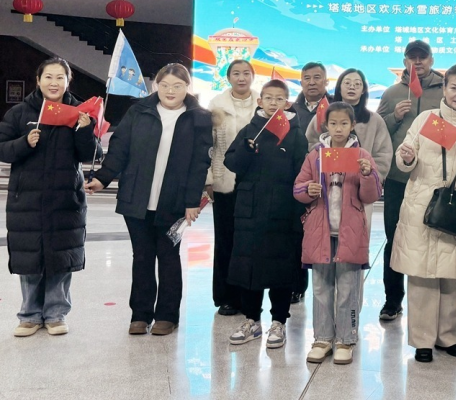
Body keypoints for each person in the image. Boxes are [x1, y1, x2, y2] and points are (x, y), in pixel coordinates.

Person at [86, 63, 212, 336]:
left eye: (177, 86)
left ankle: (167, 315)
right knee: (142, 257)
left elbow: (200, 163)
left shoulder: (199, 117)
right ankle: (140, 315)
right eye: (164, 85)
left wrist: (192, 201)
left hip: (174, 200)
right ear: (156, 85)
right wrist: (103, 178)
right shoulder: (139, 111)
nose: (170, 91)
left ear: (187, 87)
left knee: (168, 257)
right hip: (137, 196)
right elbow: (120, 148)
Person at [391, 62, 456, 363]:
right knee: (421, 276)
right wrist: (407, 156)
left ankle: (448, 337)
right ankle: (422, 341)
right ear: (444, 88)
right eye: (454, 87)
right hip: (421, 202)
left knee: (451, 276)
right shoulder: (426, 118)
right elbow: (405, 158)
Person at [0, 57, 101, 337]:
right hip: (26, 200)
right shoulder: (20, 113)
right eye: (48, 77)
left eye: (60, 78)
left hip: (65, 199)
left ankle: (56, 314)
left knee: (60, 257)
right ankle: (29, 316)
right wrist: (24, 142)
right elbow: (2, 148)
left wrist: (85, 130)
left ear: (68, 81)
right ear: (38, 80)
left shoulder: (79, 113)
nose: (54, 83)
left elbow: (91, 155)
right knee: (29, 258)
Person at [294, 102, 382, 365]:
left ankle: (346, 339)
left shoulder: (362, 155)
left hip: (350, 233)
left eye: (344, 123)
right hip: (320, 232)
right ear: (326, 126)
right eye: (333, 123)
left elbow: (372, 195)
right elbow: (298, 187)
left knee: (348, 288)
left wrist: (367, 174)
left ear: (352, 125)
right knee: (321, 288)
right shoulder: (315, 155)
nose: (339, 128)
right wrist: (307, 190)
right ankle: (322, 339)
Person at [222, 79, 307, 350]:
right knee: (248, 265)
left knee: (281, 267)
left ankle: (279, 322)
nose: (273, 103)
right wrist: (245, 151)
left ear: (287, 103)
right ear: (260, 101)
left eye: (279, 99)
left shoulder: (295, 134)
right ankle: (251, 320)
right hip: (249, 210)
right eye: (268, 98)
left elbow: (302, 173)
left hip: (283, 211)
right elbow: (231, 162)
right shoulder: (250, 130)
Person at [376, 41, 444, 321]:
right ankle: (392, 300)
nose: (417, 62)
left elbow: (455, 127)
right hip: (397, 178)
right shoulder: (392, 93)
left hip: (432, 179)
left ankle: (427, 301)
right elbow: (378, 130)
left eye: (422, 57)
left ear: (431, 60)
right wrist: (394, 116)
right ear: (405, 61)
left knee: (430, 238)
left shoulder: (445, 90)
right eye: (411, 58)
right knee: (395, 238)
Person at [305, 68, 393, 242]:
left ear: (363, 90)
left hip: (359, 192)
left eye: (357, 84)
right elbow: (308, 146)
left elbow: (383, 154)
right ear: (339, 87)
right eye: (347, 83)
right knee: (323, 242)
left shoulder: (374, 120)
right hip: (327, 188)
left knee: (355, 243)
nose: (352, 87)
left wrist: (370, 177)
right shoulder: (323, 116)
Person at [206, 59, 258, 316]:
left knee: (250, 242)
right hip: (224, 181)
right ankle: (226, 297)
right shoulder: (216, 106)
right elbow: (208, 146)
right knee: (226, 240)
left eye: (246, 73)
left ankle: (249, 296)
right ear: (228, 78)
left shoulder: (263, 104)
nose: (241, 78)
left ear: (253, 76)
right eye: (236, 73)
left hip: (255, 184)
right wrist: (208, 179)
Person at [289, 61, 333, 304]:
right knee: (295, 234)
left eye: (317, 77)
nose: (312, 82)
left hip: (329, 185)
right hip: (298, 182)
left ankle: (326, 286)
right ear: (301, 82)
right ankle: (296, 285)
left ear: (326, 81)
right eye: (307, 78)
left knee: (322, 234)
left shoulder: (336, 109)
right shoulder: (291, 110)